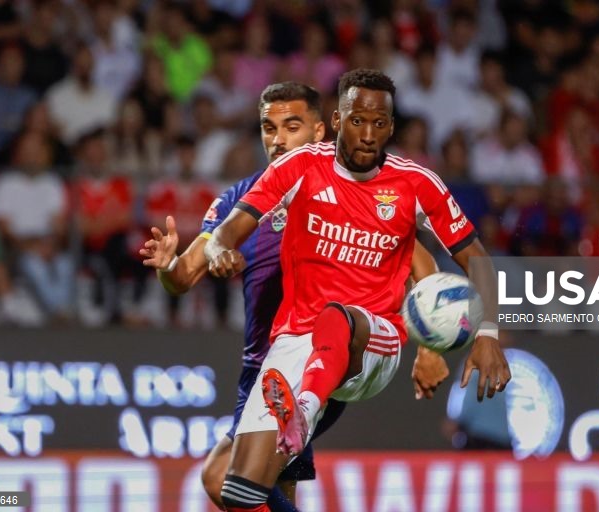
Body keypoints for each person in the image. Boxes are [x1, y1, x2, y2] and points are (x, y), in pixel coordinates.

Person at [201, 69, 511, 512]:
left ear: (391, 126)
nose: (368, 135)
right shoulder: (299, 168)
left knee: (339, 316)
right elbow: (228, 231)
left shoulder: (415, 183)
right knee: (239, 492)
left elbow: (476, 258)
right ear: (338, 118)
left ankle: (302, 411)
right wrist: (218, 251)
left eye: (379, 124)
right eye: (357, 120)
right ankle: (297, 413)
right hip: (295, 342)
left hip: (371, 341)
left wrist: (486, 335)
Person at [141, 81, 448, 511]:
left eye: (292, 126)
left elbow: (418, 263)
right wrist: (168, 268)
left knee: (221, 478)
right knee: (275, 492)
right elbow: (184, 276)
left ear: (321, 132)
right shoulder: (239, 198)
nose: (278, 139)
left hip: (316, 358)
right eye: (269, 128)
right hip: (259, 370)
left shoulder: (343, 186)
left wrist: (430, 345)